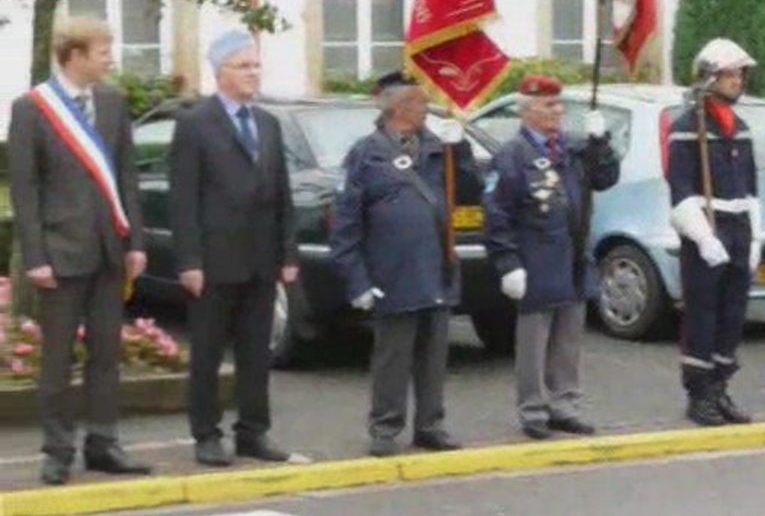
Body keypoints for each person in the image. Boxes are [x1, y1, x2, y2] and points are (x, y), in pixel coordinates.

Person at [8, 16, 150, 485]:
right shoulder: (32, 108)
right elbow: (25, 190)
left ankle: (104, 443)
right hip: (61, 252)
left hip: (110, 250)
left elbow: (126, 176)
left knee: (107, 353)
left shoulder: (111, 102)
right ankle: (57, 448)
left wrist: (135, 242)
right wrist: (35, 256)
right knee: (57, 357)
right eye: (102, 49)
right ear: (74, 55)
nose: (110, 57)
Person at [330, 71, 480, 457]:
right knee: (393, 357)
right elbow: (346, 223)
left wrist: (459, 150)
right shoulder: (367, 153)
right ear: (396, 107)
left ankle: (430, 425)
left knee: (433, 358)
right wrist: (357, 280)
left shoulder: (436, 148)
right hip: (392, 273)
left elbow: (468, 193)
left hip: (436, 269)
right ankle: (385, 428)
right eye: (417, 100)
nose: (425, 107)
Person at [170, 30, 298, 467]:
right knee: (207, 353)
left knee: (255, 352)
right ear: (220, 72)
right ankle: (206, 433)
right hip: (214, 260)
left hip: (261, 258)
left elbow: (282, 193)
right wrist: (189, 260)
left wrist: (288, 254)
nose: (253, 74)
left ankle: (253, 431)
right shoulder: (195, 124)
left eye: (256, 65)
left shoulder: (268, 123)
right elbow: (183, 198)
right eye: (244, 66)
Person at [483, 75, 619, 440]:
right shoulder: (512, 156)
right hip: (536, 257)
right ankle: (533, 410)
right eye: (548, 105)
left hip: (573, 255)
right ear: (526, 111)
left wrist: (600, 142)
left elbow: (606, 177)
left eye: (559, 105)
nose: (557, 112)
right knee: (534, 342)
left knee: (568, 340)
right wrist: (508, 263)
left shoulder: (573, 149)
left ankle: (565, 406)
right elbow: (497, 215)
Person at [667, 39, 760, 426]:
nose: (738, 81)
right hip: (707, 228)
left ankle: (721, 387)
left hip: (738, 228)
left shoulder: (740, 127)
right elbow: (680, 190)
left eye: (740, 74)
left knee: (733, 315)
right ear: (709, 78)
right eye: (730, 74)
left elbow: (751, 188)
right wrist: (704, 237)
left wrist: (754, 238)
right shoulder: (688, 127)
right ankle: (699, 393)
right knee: (703, 315)